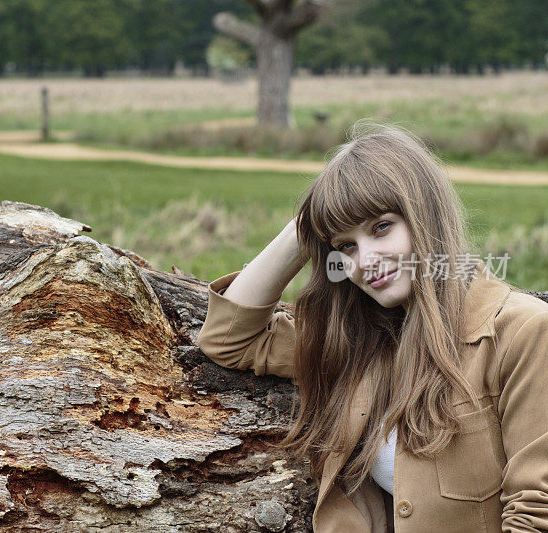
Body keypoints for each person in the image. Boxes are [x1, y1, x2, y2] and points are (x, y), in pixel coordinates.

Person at [196, 122, 548, 532]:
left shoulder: (521, 333)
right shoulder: (355, 340)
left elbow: (535, 513)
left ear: (426, 216)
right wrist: (305, 226)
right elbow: (229, 339)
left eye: (381, 227)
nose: (364, 261)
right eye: (346, 246)